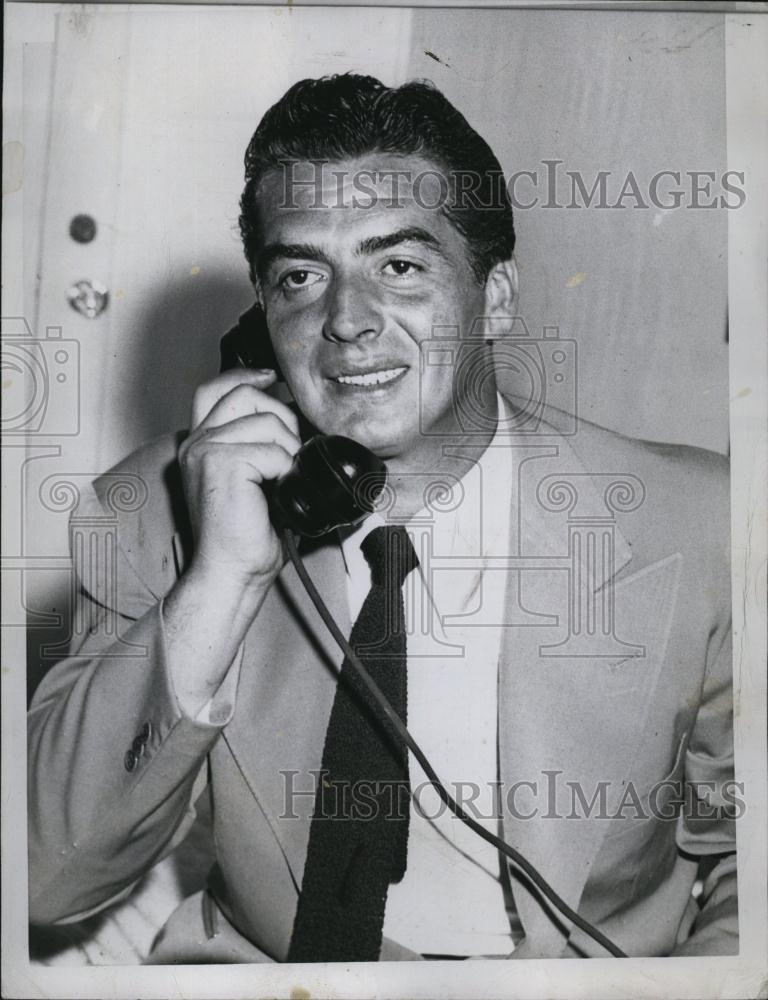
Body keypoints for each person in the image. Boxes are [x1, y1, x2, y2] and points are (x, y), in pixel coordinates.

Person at [27, 74, 736, 961]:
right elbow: (44, 879)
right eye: (299, 277)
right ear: (262, 317)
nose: (345, 322)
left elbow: (745, 857)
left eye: (398, 266)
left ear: (498, 297)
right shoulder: (151, 509)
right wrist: (221, 579)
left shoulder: (701, 521)